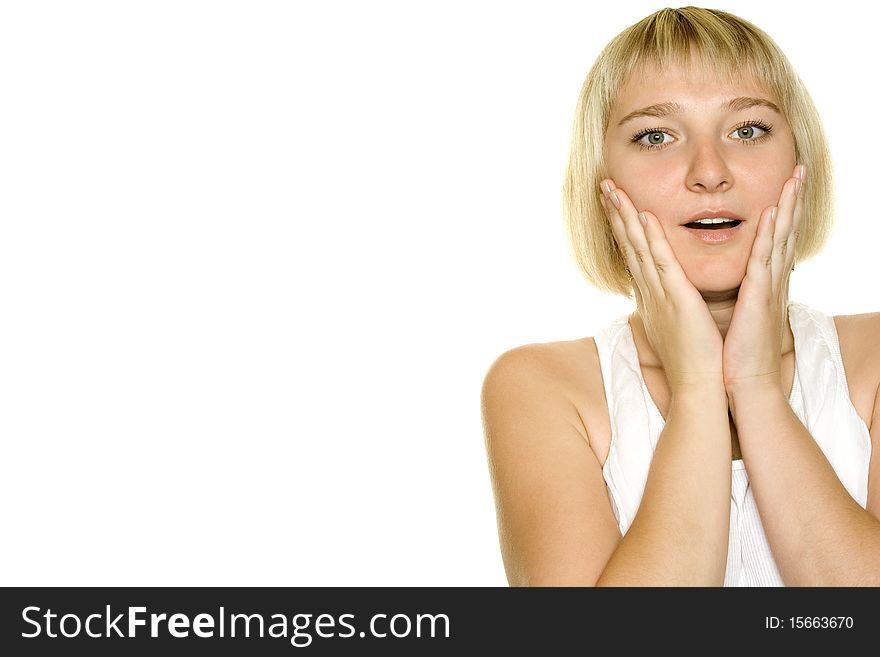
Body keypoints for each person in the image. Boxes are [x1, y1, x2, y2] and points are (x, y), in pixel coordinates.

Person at [480, 6, 880, 586]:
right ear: (600, 182)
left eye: (748, 129)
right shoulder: (539, 386)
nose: (709, 171)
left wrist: (757, 388)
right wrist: (696, 391)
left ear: (801, 162)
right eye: (656, 136)